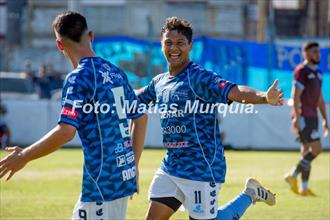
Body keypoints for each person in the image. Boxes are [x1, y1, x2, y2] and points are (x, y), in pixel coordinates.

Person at [0, 11, 147, 220]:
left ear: (60, 46)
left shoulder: (78, 78)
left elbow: (66, 131)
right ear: (91, 36)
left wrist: (24, 156)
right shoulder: (116, 73)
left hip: (100, 187)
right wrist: (132, 166)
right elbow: (141, 118)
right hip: (121, 180)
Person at [137, 17, 283, 220]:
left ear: (190, 45)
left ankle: (249, 195)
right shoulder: (159, 82)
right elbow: (135, 99)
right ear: (162, 44)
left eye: (180, 43)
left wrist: (264, 97)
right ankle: (250, 193)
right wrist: (105, 93)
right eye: (168, 43)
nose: (174, 48)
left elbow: (235, 90)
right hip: (171, 166)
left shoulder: (199, 77)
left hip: (202, 168)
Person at [284, 42, 328, 196]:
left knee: (306, 152)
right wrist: (297, 116)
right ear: (306, 54)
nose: (318, 54)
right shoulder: (301, 71)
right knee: (316, 149)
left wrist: (325, 119)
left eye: (318, 52)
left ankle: (303, 187)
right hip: (304, 116)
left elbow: (320, 99)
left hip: (313, 117)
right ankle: (293, 175)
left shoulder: (319, 73)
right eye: (314, 52)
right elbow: (295, 96)